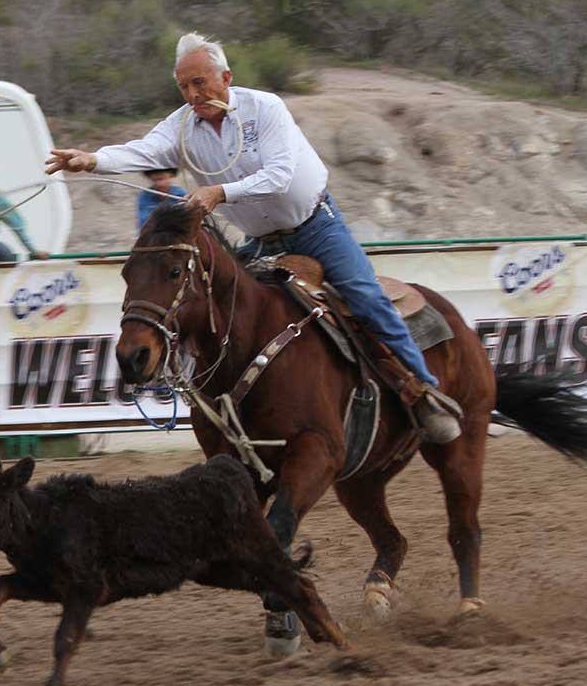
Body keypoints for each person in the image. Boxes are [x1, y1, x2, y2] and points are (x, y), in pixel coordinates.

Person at [44, 32, 463, 443]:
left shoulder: (266, 109)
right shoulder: (182, 126)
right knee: (220, 309)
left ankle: (425, 393)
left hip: (317, 228)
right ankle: (224, 401)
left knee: (366, 298)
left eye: (200, 82)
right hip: (263, 240)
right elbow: (144, 149)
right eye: (184, 86)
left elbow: (280, 175)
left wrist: (219, 192)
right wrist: (93, 159)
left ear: (225, 78)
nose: (192, 94)